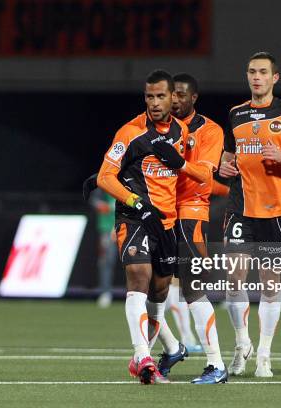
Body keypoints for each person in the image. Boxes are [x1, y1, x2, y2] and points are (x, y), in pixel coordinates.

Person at [218, 52, 281, 377]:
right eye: (251, 72)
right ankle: (241, 343)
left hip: (275, 210)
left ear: (275, 77)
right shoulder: (236, 113)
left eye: (262, 72)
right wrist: (223, 164)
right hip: (240, 208)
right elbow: (230, 158)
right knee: (234, 277)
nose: (256, 77)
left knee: (270, 283)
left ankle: (264, 354)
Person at [96, 69, 190, 384]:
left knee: (159, 294)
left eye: (160, 96)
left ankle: (166, 349)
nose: (153, 102)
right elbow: (104, 177)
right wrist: (136, 202)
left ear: (173, 97)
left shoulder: (181, 133)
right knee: (139, 278)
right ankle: (143, 357)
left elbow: (182, 177)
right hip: (134, 217)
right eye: (149, 96)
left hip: (167, 222)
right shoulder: (130, 132)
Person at [153, 73, 228, 384]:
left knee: (193, 290)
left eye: (182, 94)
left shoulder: (209, 130)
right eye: (173, 94)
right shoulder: (160, 128)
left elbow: (205, 175)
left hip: (191, 212)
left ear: (193, 98)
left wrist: (179, 162)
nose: (176, 99)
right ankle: (172, 347)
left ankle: (216, 364)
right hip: (161, 212)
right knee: (149, 289)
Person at [89, 189, 117, 307]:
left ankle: (141, 294)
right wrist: (101, 205)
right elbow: (94, 200)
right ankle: (105, 293)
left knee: (137, 262)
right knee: (106, 261)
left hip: (129, 226)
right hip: (107, 228)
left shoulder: (130, 179)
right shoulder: (103, 182)